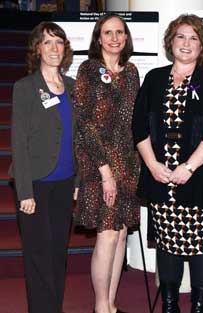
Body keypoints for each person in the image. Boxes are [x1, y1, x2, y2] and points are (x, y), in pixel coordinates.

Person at [133, 14, 203, 313]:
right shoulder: (154, 79)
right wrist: (152, 165)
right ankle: (169, 304)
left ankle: (200, 306)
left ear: (202, 45)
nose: (186, 43)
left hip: (199, 179)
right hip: (161, 178)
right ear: (170, 42)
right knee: (167, 244)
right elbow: (139, 127)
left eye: (194, 38)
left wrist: (188, 167)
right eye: (180, 36)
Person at [73, 13, 141, 313]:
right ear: (98, 37)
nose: (114, 37)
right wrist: (105, 173)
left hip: (128, 164)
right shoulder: (88, 70)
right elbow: (85, 124)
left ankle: (112, 305)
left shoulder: (132, 72)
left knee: (121, 234)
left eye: (119, 32)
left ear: (126, 38)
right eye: (108, 32)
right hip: (99, 163)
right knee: (108, 234)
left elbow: (134, 122)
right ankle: (101, 307)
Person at [9, 22, 75, 313]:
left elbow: (79, 137)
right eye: (47, 42)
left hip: (65, 182)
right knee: (38, 256)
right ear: (37, 49)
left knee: (58, 253)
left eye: (58, 42)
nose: (53, 49)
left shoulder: (73, 87)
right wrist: (24, 192)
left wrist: (78, 182)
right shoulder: (25, 88)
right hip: (35, 183)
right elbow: (18, 142)